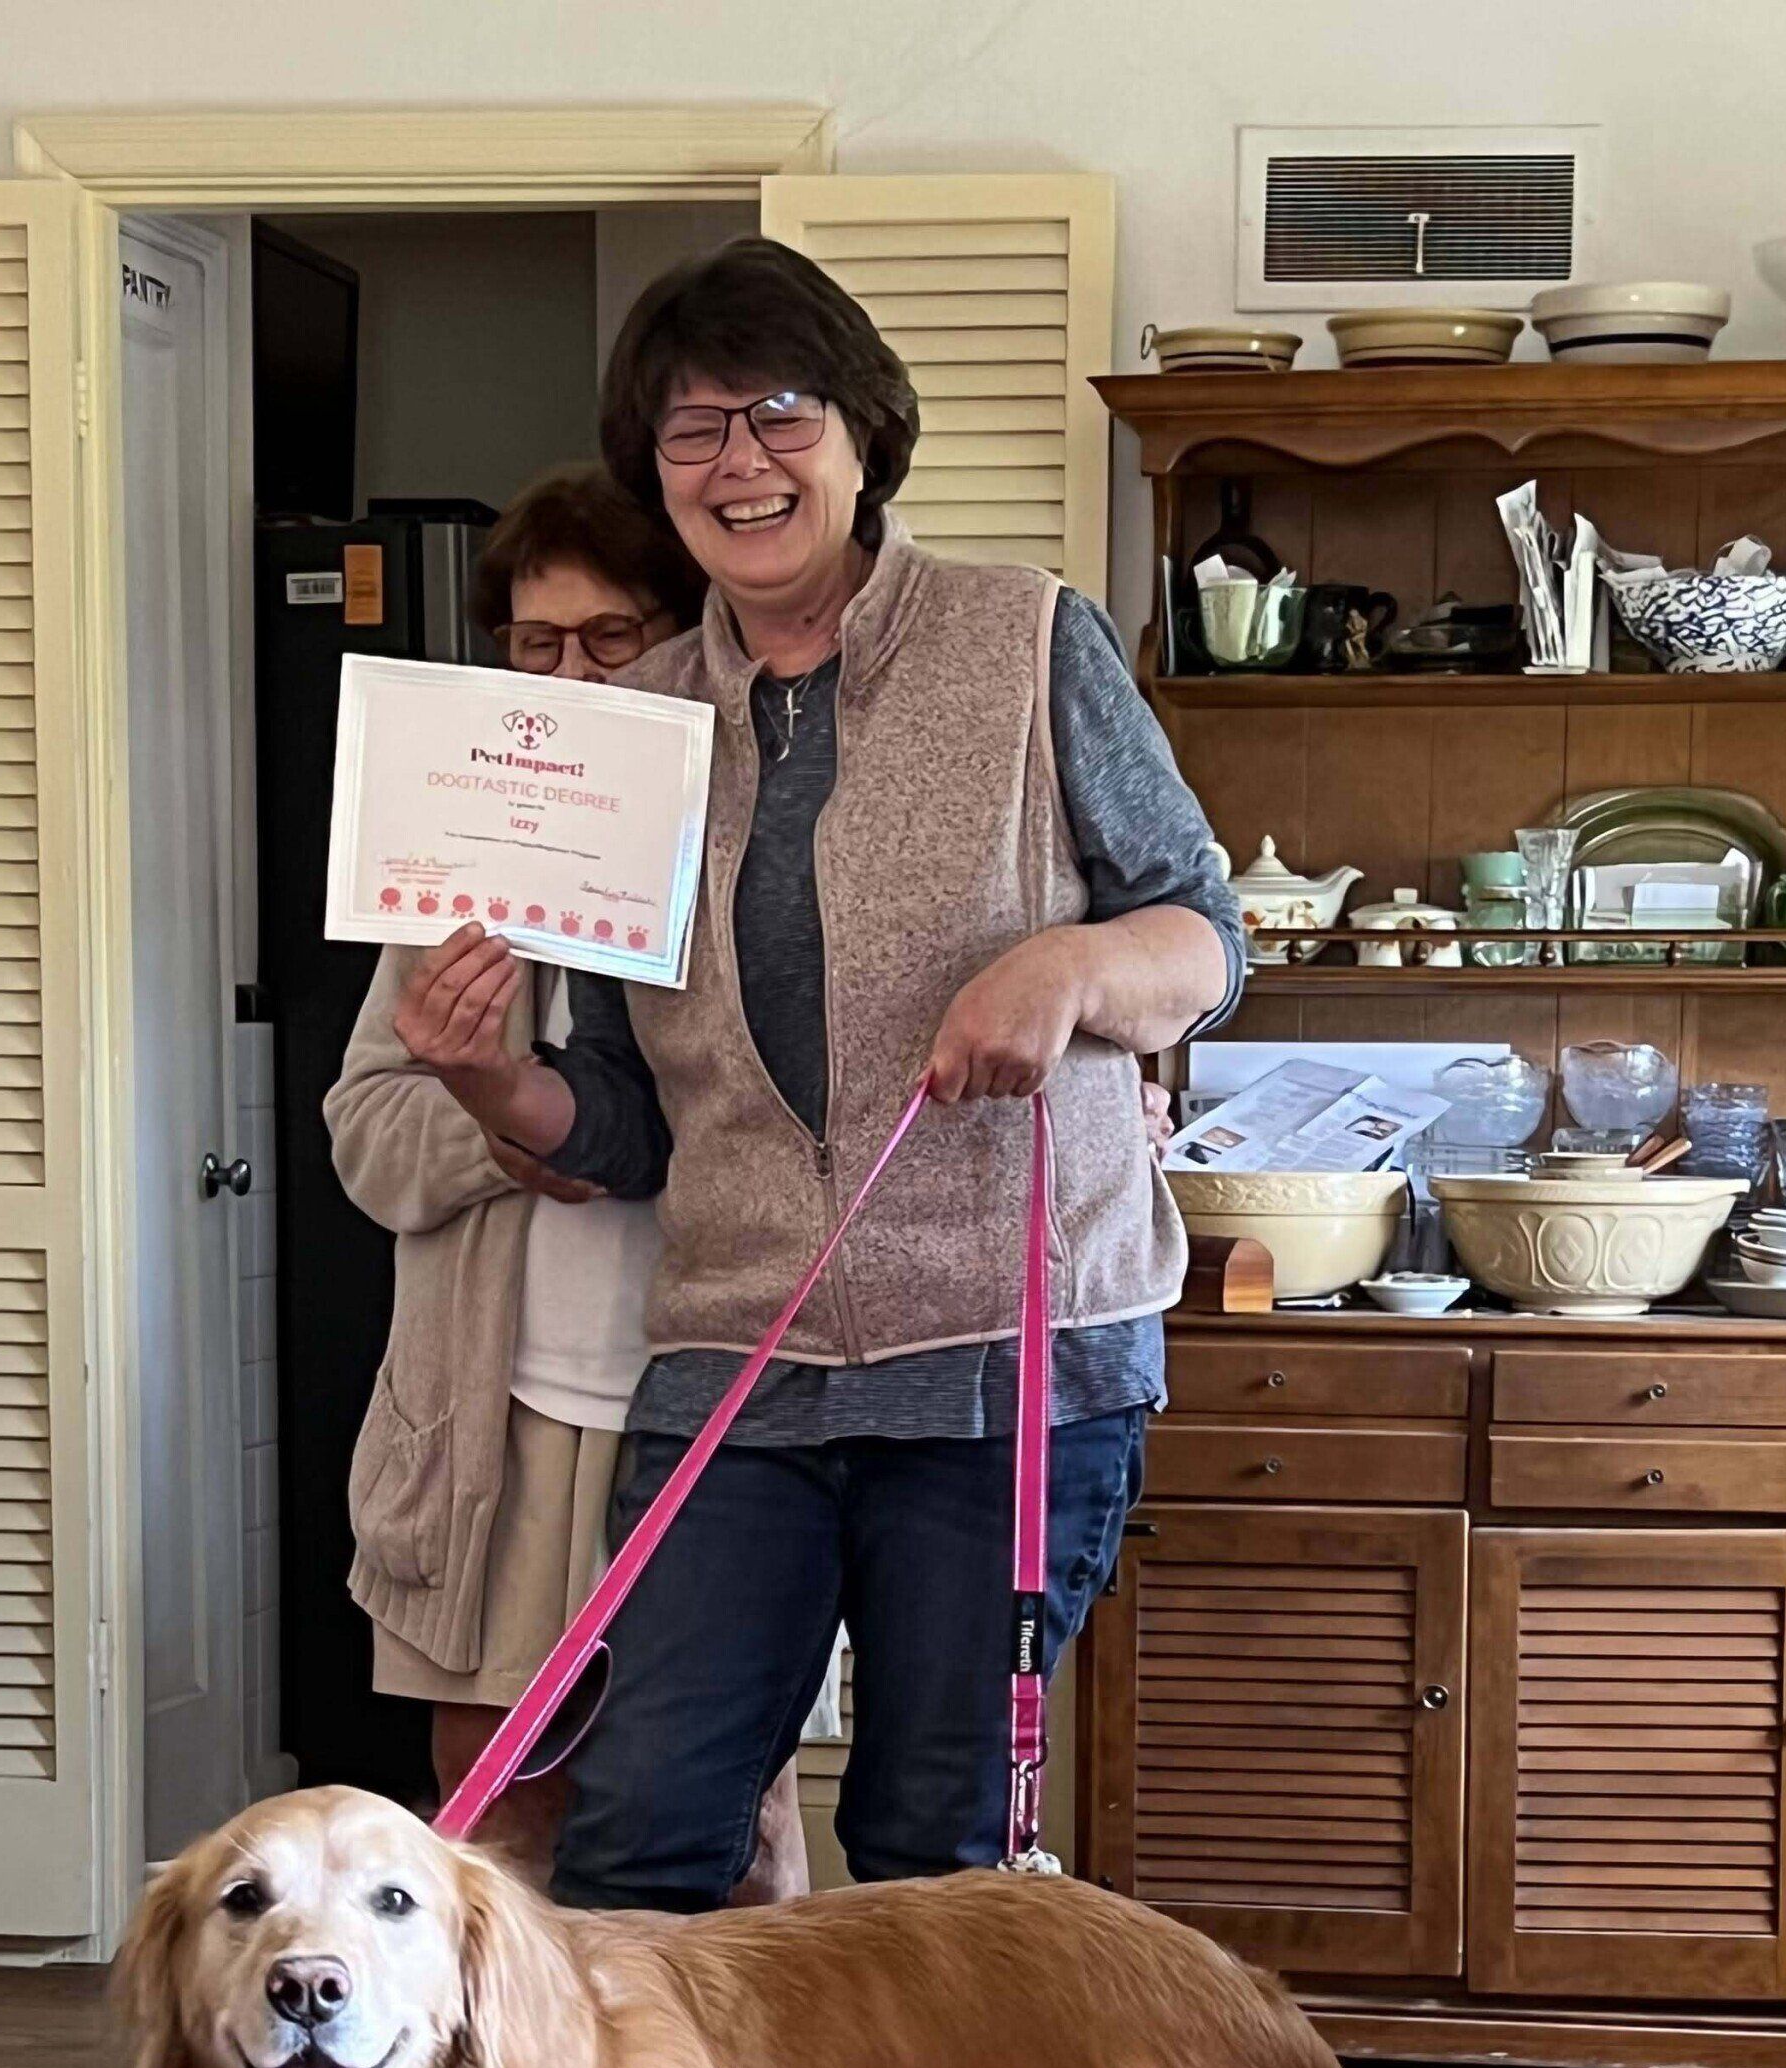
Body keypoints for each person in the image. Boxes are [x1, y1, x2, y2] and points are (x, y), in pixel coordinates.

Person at [380, 240, 1246, 1913]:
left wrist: (1069, 968)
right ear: (656, 471)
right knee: (643, 1838)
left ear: (860, 433)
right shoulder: (628, 728)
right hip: (737, 1361)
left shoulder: (1027, 642)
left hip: (1006, 1357)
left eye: (777, 412)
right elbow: (625, 1128)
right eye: (692, 431)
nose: (738, 463)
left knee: (938, 1859)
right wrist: (487, 1078)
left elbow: (1205, 938)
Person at [324, 466, 814, 1895]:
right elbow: (365, 1125)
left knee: (737, 1828)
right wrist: (503, 1128)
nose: (575, 672)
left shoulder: (757, 848)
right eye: (538, 644)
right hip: (500, 1421)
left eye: (611, 637)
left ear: (681, 637)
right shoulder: (453, 865)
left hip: (716, 1414)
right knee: (488, 1836)